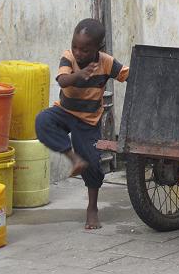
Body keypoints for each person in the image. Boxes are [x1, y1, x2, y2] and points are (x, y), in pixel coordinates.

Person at [35, 18, 129, 229]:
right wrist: (79, 75)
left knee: (93, 164)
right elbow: (62, 80)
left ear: (98, 48)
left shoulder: (106, 62)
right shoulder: (69, 58)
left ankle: (92, 207)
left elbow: (126, 74)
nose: (78, 52)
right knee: (42, 121)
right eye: (75, 46)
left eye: (85, 50)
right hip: (64, 111)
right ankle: (73, 158)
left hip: (88, 121)